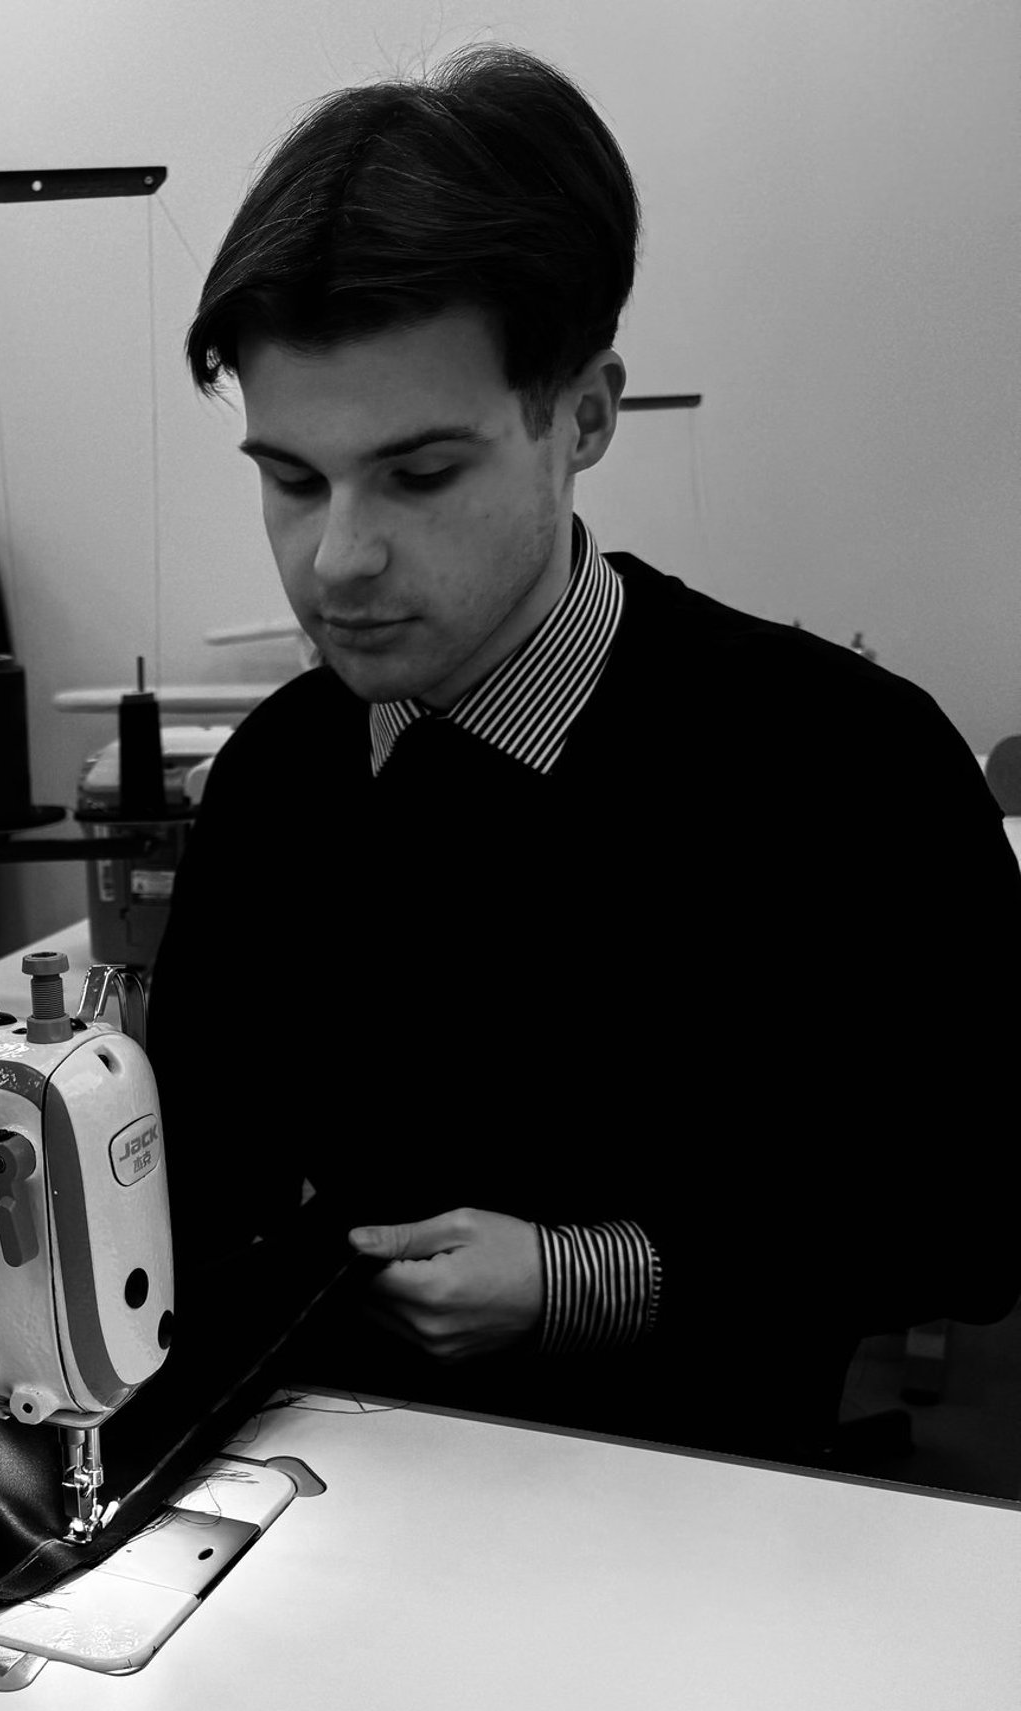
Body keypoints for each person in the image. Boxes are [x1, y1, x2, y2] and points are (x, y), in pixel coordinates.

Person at [146, 44, 1021, 1466]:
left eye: (423, 476)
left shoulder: (844, 769)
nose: (338, 557)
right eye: (291, 480)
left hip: (711, 1535)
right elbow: (192, 1187)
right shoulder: (274, 786)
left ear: (586, 417)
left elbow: (975, 1216)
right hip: (329, 1520)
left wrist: (585, 1281)